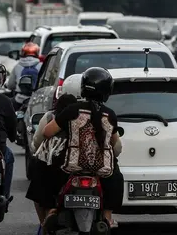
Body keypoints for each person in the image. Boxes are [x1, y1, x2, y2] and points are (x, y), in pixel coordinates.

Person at [41, 67, 124, 232]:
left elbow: (47, 132)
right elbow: (116, 144)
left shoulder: (72, 110)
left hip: (71, 167)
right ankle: (107, 217)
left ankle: (53, 210)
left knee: (48, 172)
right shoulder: (110, 115)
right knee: (117, 179)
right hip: (102, 170)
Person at [26, 93, 78, 234]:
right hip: (77, 168)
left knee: (38, 191)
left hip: (49, 167)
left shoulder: (50, 118)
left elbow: (37, 142)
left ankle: (44, 222)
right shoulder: (86, 117)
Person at [0, 61, 16, 201]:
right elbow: (12, 125)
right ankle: (5, 196)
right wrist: (13, 137)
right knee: (9, 157)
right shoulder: (5, 101)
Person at [7, 43, 41, 111]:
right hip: (36, 100)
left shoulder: (18, 66)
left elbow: (10, 85)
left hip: (19, 99)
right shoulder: (41, 66)